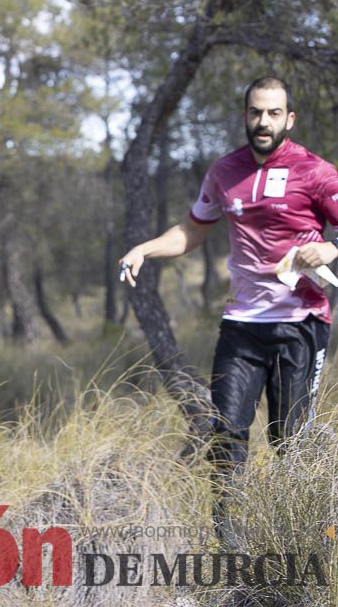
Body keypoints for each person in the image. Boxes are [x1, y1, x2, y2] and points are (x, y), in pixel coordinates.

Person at [119, 76, 338, 503]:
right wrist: (145, 249)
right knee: (226, 435)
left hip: (301, 325)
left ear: (288, 119)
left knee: (289, 440)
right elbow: (191, 231)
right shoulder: (224, 171)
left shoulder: (314, 171)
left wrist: (329, 248)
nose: (264, 121)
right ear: (244, 117)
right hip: (241, 326)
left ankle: (296, 535)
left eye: (274, 113)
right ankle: (229, 542)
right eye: (256, 112)